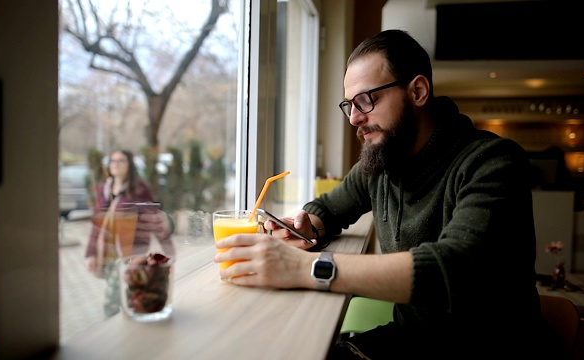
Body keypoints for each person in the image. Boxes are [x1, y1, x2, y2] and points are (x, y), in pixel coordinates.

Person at [214, 29, 553, 358]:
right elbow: (328, 207)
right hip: (411, 341)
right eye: (349, 105)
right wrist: (308, 225)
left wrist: (306, 268)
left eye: (366, 100)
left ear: (417, 91)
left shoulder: (493, 162)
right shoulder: (382, 162)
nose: (354, 119)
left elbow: (452, 270)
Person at [85, 149, 175, 318]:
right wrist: (90, 253)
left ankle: (114, 328)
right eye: (113, 161)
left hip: (129, 254)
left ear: (130, 165)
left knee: (113, 298)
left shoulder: (138, 190)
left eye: (121, 161)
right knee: (122, 292)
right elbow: (96, 225)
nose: (116, 164)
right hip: (107, 252)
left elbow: (154, 219)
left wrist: (169, 251)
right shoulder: (104, 189)